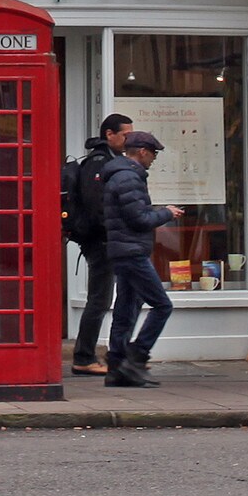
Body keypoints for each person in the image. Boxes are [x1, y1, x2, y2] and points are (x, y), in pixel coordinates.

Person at [101, 130, 184, 387]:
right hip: (132, 251)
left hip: (123, 249)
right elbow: (139, 219)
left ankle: (117, 368)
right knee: (162, 305)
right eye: (154, 154)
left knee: (126, 310)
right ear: (142, 152)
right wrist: (166, 213)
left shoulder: (121, 175)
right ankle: (136, 359)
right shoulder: (128, 178)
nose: (154, 159)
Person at [66, 112, 134, 376]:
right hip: (100, 240)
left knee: (113, 298)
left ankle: (119, 353)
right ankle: (83, 356)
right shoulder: (99, 161)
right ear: (110, 134)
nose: (129, 139)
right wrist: (112, 231)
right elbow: (98, 206)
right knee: (99, 299)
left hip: (106, 239)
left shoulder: (110, 159)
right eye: (125, 134)